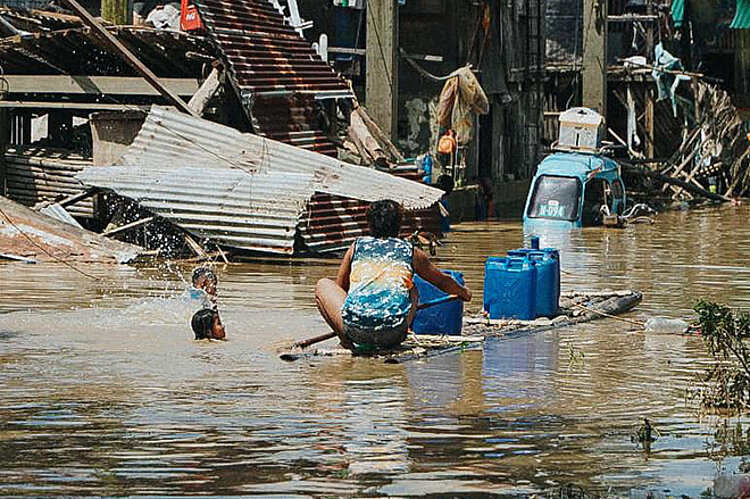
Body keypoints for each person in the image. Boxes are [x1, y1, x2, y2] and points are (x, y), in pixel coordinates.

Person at [315, 199, 472, 351]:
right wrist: (464, 292)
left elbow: (341, 289)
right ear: (399, 224)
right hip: (394, 333)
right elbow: (442, 282)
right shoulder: (410, 251)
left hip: (356, 331)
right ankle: (389, 333)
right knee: (412, 288)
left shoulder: (356, 247)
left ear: (369, 224)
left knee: (323, 284)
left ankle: (346, 342)